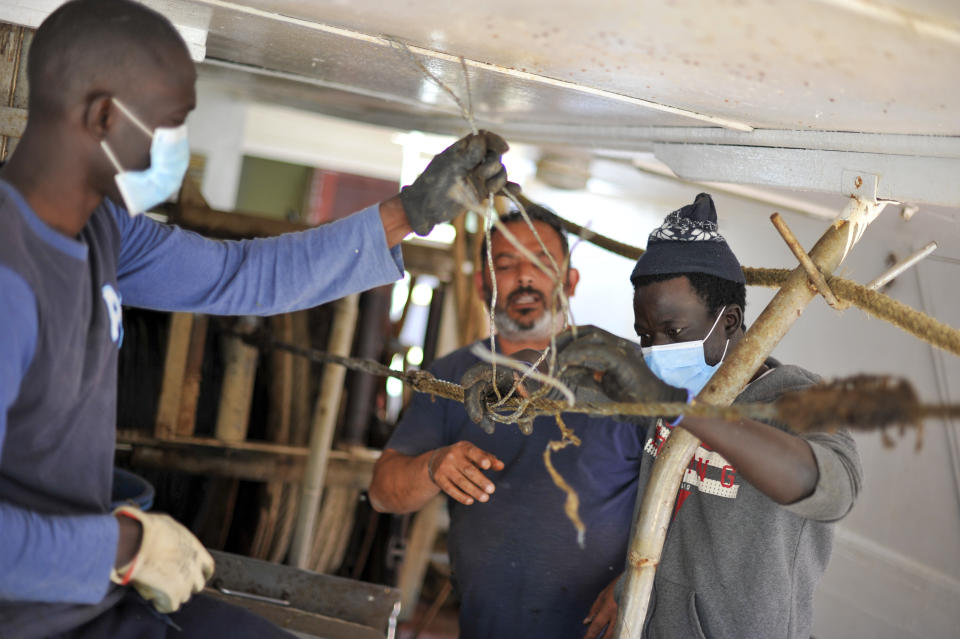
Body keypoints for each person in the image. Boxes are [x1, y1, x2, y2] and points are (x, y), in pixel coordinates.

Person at [0, 1, 515, 637]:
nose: (177, 147)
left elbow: (239, 275)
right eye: (168, 122)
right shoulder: (9, 275)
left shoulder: (100, 229)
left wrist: (412, 211)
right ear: (104, 114)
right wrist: (125, 548)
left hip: (91, 593)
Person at [550, 193, 863, 638]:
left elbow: (833, 489)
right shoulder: (670, 392)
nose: (657, 348)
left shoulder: (800, 399)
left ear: (730, 320)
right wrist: (514, 378)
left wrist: (675, 404)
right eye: (645, 334)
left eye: (673, 331)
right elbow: (576, 382)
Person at [368, 204, 653, 639]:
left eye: (541, 262)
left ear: (570, 281)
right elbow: (383, 492)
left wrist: (640, 581)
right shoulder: (449, 377)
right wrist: (432, 467)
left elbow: (691, 502)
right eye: (506, 264)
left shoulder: (625, 373)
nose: (524, 277)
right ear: (484, 285)